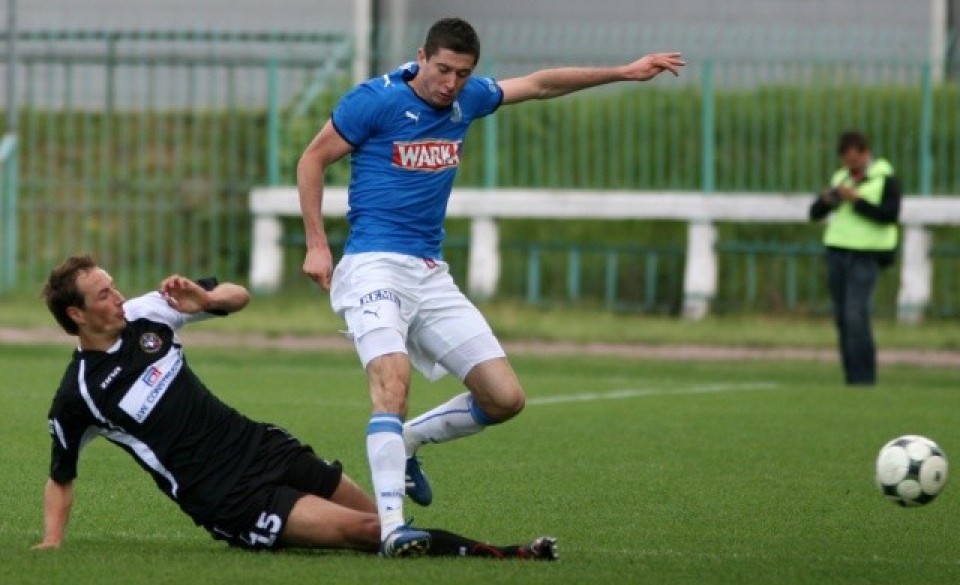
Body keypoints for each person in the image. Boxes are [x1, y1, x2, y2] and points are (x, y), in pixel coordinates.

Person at [296, 16, 685, 554]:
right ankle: (392, 528)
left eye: (462, 73)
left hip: (430, 273)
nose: (450, 83)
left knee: (504, 398)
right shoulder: (374, 101)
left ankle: (408, 442)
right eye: (442, 69)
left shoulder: (469, 99)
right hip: (372, 266)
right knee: (393, 385)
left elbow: (541, 84)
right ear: (421, 56)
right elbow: (312, 158)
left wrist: (624, 71)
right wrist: (317, 244)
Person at [35, 254, 558, 561]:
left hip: (263, 446)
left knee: (386, 521)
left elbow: (239, 295)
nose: (118, 297)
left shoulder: (149, 313)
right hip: (229, 497)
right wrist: (52, 542)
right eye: (103, 295)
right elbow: (61, 475)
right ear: (77, 314)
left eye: (114, 286)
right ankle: (509, 554)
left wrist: (207, 300)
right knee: (369, 534)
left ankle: (485, 551)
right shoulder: (80, 394)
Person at [809, 131, 901, 386]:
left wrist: (857, 201)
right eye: (846, 161)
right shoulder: (840, 178)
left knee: (856, 315)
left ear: (865, 153)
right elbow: (814, 213)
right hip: (838, 252)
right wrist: (826, 201)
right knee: (842, 319)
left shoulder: (885, 179)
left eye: (855, 160)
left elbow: (890, 214)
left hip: (866, 255)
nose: (851, 166)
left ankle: (864, 379)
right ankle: (851, 378)